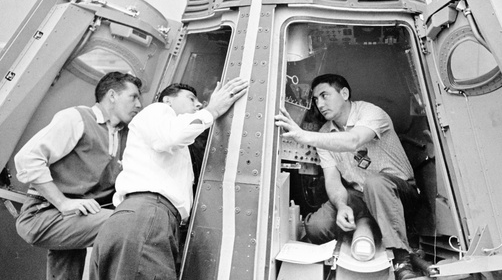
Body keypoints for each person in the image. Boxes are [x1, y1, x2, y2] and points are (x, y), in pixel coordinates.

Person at [89, 77, 249, 280]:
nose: (198, 104)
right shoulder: (158, 110)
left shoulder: (177, 146)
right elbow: (170, 136)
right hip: (148, 217)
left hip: (140, 220)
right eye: (191, 98)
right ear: (167, 101)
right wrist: (212, 111)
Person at [275, 73, 420, 280]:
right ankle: (367, 225)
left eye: (325, 95)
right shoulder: (325, 133)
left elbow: (353, 140)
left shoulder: (371, 113)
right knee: (316, 227)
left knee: (375, 182)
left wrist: (303, 135)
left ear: (344, 93)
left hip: (399, 193)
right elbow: (333, 180)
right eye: (316, 99)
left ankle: (401, 260)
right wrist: (342, 206)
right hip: (361, 195)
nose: (320, 104)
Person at [14, 71, 143, 280]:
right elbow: (27, 159)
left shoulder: (123, 134)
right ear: (112, 95)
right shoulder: (77, 118)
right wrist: (64, 203)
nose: (139, 104)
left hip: (78, 215)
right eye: (134, 97)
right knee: (124, 224)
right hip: (43, 215)